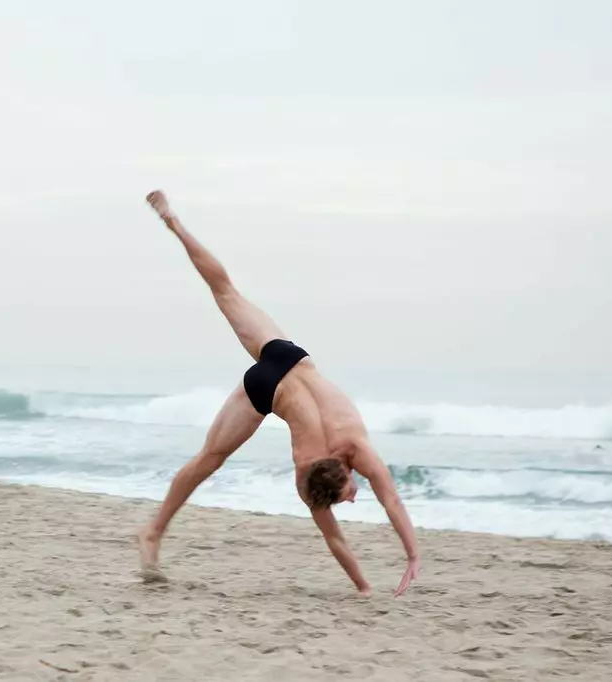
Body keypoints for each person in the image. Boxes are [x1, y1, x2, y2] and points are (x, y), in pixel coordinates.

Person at [136, 190, 421, 597]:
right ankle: (153, 531)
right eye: (349, 495)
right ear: (344, 468)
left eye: (345, 496)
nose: (354, 497)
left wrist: (379, 575)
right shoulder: (316, 468)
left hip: (283, 361)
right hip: (273, 383)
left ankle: (174, 223)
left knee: (225, 291)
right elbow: (378, 507)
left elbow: (381, 503)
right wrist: (397, 565)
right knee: (210, 456)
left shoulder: (334, 461)